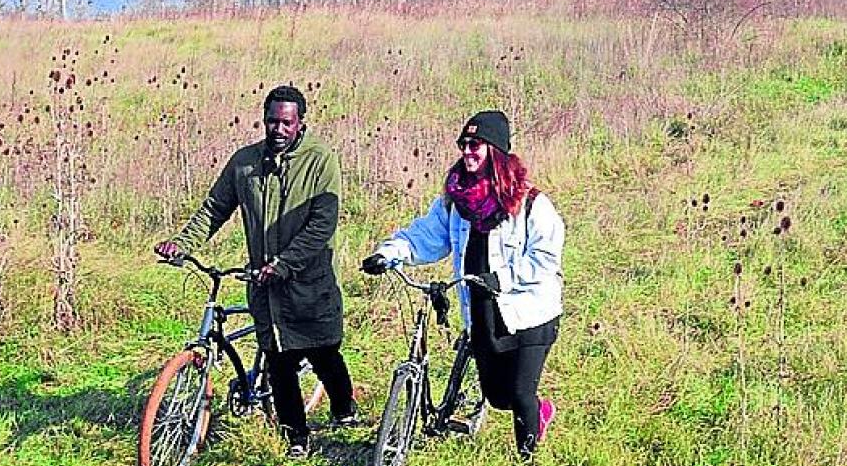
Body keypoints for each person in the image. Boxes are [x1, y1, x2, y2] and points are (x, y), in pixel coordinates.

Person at [154, 84, 357, 459]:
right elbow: (215, 209)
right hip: (265, 286)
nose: (278, 129)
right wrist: (182, 245)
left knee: (324, 351)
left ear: (300, 124)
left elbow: (322, 224)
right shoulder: (245, 163)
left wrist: (285, 264)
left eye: (286, 123)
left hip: (308, 282)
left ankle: (343, 406)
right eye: (271, 122)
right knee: (278, 360)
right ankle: (296, 435)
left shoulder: (320, 160)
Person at [361, 110, 564, 460]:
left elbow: (545, 259)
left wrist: (501, 279)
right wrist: (388, 254)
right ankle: (531, 410)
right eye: (463, 144)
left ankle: (527, 452)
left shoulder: (531, 203)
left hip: (530, 312)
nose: (467, 151)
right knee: (497, 396)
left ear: (496, 151)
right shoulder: (457, 201)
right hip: (481, 308)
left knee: (518, 393)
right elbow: (425, 236)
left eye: (476, 145)